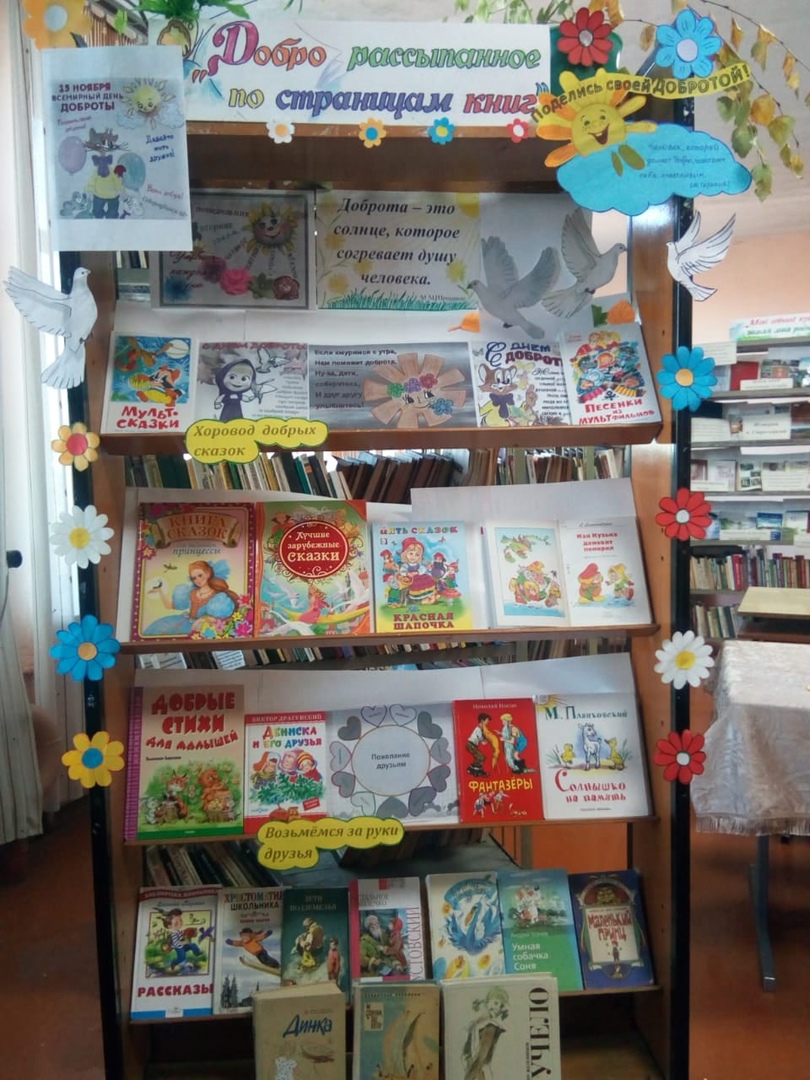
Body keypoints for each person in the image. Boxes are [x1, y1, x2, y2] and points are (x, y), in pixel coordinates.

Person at [143, 560, 239, 636]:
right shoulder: (190, 592)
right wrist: (160, 592)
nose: (198, 580)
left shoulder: (217, 596)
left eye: (200, 575)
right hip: (183, 621)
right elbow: (169, 606)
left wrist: (206, 619)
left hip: (200, 626)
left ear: (208, 573)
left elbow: (222, 619)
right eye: (194, 578)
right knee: (159, 628)